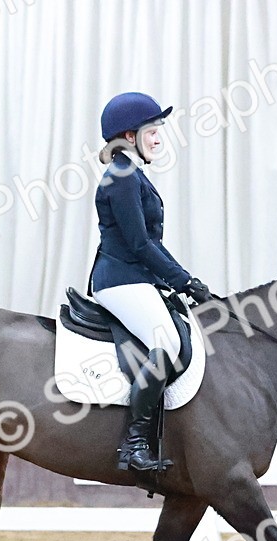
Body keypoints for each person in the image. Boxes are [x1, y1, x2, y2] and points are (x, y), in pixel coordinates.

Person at [90, 91, 213, 473]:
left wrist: (178, 280)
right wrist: (185, 281)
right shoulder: (123, 176)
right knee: (167, 340)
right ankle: (134, 444)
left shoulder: (132, 173)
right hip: (119, 280)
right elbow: (140, 243)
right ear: (129, 136)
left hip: (134, 277)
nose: (159, 137)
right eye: (153, 130)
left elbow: (149, 245)